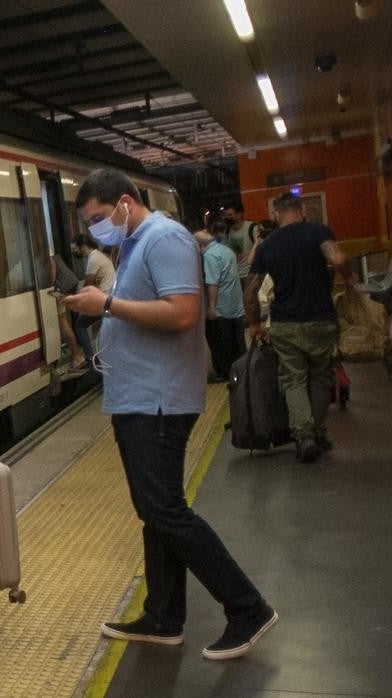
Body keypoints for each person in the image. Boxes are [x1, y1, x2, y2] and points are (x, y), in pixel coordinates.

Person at [64, 169, 276, 661]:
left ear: (122, 203)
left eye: (98, 218)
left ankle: (247, 607)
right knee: (153, 511)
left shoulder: (163, 238)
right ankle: (163, 616)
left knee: (165, 510)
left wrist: (108, 304)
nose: (96, 229)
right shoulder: (137, 242)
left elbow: (183, 313)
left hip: (157, 400)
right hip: (140, 397)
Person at [244, 192, 357, 463]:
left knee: (293, 380)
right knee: (320, 377)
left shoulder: (267, 245)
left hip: (286, 324)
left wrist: (255, 324)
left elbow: (251, 290)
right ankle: (318, 432)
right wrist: (350, 278)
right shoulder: (318, 231)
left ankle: (303, 436)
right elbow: (338, 259)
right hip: (321, 320)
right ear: (302, 210)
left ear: (275, 214)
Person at [195, 225, 246, 381]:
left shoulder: (210, 256)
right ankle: (243, 371)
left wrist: (211, 307)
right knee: (237, 343)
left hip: (221, 308)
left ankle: (224, 373)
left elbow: (212, 283)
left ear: (200, 246)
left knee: (221, 344)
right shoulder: (226, 250)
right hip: (235, 306)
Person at [71, 233, 115, 369]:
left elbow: (88, 285)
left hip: (104, 301)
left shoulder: (93, 260)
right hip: (109, 298)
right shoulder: (99, 256)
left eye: (75, 249)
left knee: (79, 324)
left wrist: (74, 300)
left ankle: (90, 358)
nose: (75, 252)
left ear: (83, 246)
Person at [51, 253, 87, 370]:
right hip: (64, 287)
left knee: (62, 321)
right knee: (62, 321)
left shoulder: (42, 247)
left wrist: (50, 287)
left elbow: (52, 265)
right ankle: (77, 354)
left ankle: (76, 355)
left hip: (58, 289)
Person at [223, 202, 257, 285]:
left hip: (250, 274)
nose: (227, 218)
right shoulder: (227, 231)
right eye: (225, 215)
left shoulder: (252, 228)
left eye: (230, 215)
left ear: (239, 215)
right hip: (236, 276)